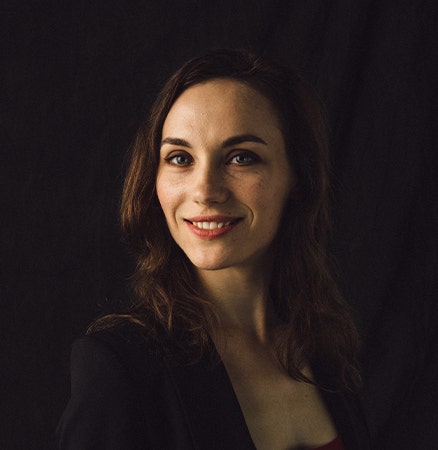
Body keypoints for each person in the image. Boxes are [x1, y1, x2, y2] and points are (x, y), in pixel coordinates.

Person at [57, 49, 370, 449]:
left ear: (298, 177)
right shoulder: (121, 369)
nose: (205, 190)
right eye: (180, 158)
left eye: (241, 158)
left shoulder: (325, 350)